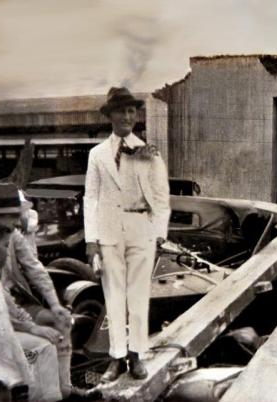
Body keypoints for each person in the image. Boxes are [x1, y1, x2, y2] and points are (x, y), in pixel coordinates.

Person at [84, 87, 170, 382]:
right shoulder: (97, 155)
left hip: (140, 230)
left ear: (137, 116)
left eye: (132, 110)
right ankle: (116, 358)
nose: (127, 116)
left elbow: (161, 197)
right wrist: (90, 241)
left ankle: (136, 357)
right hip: (108, 232)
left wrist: (159, 235)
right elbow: (90, 198)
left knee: (138, 296)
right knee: (114, 296)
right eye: (121, 110)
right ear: (110, 116)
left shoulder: (149, 153)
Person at [0, 183, 63, 402]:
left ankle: (62, 385)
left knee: (57, 326)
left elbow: (36, 270)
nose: (16, 221)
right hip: (0, 335)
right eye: (12, 215)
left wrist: (55, 305)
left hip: (11, 311)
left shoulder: (12, 236)